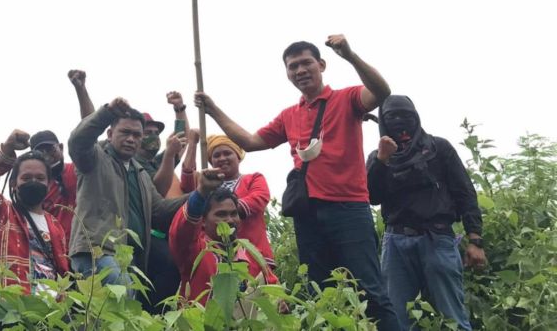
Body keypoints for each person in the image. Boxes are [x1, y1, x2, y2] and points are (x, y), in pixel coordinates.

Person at [195, 35, 401, 330]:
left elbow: (381, 92)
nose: (300, 70)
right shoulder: (289, 115)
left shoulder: (347, 98)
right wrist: (213, 109)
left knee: (370, 289)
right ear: (288, 73)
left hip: (349, 209)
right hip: (308, 214)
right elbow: (251, 142)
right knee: (318, 291)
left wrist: (350, 55)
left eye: (306, 63)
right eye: (293, 67)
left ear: (322, 65)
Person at [368, 95, 487, 330]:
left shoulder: (438, 148)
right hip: (396, 243)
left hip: (438, 238)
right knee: (396, 320)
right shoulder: (378, 156)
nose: (400, 121)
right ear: (383, 121)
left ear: (416, 117)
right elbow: (372, 197)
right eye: (392, 116)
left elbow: (465, 192)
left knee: (454, 317)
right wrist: (381, 160)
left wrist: (475, 239)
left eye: (406, 116)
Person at [67, 97, 186, 298]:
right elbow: (79, 140)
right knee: (122, 297)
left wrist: (201, 193)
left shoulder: (140, 174)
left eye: (137, 135)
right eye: (125, 132)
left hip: (129, 259)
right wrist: (107, 112)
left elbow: (160, 212)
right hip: (97, 251)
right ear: (110, 133)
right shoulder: (95, 159)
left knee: (119, 316)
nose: (131, 139)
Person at [0, 129, 70, 295]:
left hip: (51, 314)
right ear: (14, 183)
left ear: (49, 183)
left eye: (40, 178)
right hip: (11, 309)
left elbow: (62, 271)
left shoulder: (55, 225)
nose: (33, 182)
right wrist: (7, 149)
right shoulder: (2, 211)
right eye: (26, 178)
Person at [169, 168, 278, 309]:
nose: (230, 220)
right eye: (221, 214)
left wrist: (278, 303)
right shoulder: (196, 251)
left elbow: (273, 288)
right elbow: (181, 232)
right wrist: (201, 192)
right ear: (203, 221)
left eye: (234, 213)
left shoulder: (253, 254)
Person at [180, 134, 275, 270]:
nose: (222, 158)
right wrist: (193, 143)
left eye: (227, 153)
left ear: (238, 156)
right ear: (211, 161)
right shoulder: (204, 184)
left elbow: (259, 198)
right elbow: (186, 182)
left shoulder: (254, 178)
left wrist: (218, 211)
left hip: (253, 256)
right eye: (216, 155)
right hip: (214, 257)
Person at [29, 129, 77, 247]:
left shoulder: (77, 170)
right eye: (40, 154)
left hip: (87, 247)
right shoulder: (36, 190)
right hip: (57, 252)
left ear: (61, 147)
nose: (47, 156)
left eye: (51, 150)